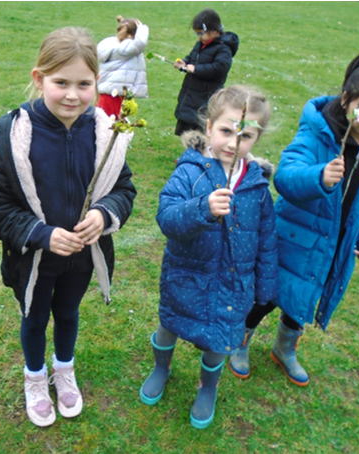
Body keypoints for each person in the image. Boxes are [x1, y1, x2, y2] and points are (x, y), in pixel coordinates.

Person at [228, 45, 359, 387]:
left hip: (337, 242)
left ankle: (285, 348)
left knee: (305, 296)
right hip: (295, 234)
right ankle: (240, 340)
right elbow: (286, 176)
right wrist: (319, 176)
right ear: (346, 100)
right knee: (269, 292)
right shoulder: (319, 130)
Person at [0, 27, 136, 428]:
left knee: (67, 313)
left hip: (83, 257)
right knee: (34, 317)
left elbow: (123, 186)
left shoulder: (106, 131)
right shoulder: (15, 133)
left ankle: (63, 368)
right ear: (38, 79)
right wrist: (41, 234)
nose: (72, 95)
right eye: (60, 82)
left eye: (84, 84)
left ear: (97, 82)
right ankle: (34, 377)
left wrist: (103, 213)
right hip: (32, 259)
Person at [140, 85, 277, 429]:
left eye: (244, 135)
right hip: (187, 276)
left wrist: (264, 288)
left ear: (256, 139)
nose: (233, 143)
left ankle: (208, 387)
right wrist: (203, 208)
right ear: (208, 127)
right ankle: (161, 367)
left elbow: (266, 240)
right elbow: (167, 218)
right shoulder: (190, 171)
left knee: (219, 342)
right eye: (226, 131)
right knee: (170, 325)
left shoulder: (257, 187)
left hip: (234, 285)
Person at [173, 8, 239, 136]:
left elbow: (219, 69)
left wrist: (196, 69)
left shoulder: (224, 48)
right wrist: (185, 63)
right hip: (191, 93)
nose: (199, 37)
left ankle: (200, 154)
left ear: (215, 31)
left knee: (200, 129)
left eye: (201, 33)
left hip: (205, 97)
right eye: (197, 33)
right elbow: (192, 57)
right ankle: (189, 153)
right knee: (187, 129)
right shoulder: (200, 44)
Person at [96, 15, 149, 118]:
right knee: (111, 121)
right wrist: (142, 29)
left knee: (107, 120)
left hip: (111, 91)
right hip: (114, 93)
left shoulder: (115, 44)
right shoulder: (126, 47)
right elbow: (139, 44)